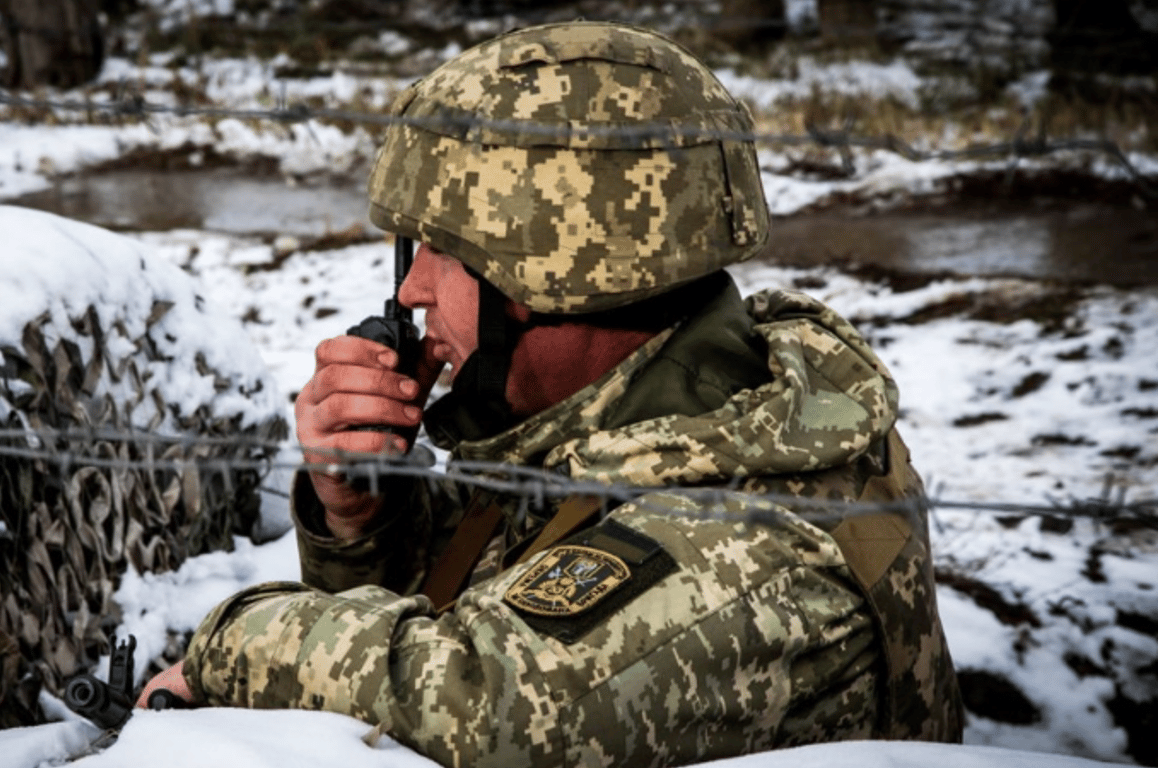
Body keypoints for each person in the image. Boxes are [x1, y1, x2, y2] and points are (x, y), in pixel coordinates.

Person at [138, 20, 963, 766]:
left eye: (441, 252)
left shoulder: (748, 540)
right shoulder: (609, 421)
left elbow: (483, 707)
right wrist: (362, 516)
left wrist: (228, 647)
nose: (415, 289)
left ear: (555, 281)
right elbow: (471, 603)